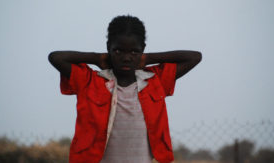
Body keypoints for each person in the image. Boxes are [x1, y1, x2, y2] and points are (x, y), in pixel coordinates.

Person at [48, 15, 202, 163]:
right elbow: (56, 57)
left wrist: (148, 58)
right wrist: (96, 58)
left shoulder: (154, 80)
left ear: (143, 50)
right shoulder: (89, 81)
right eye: (118, 51)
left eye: (134, 51)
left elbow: (194, 57)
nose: (126, 57)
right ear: (108, 48)